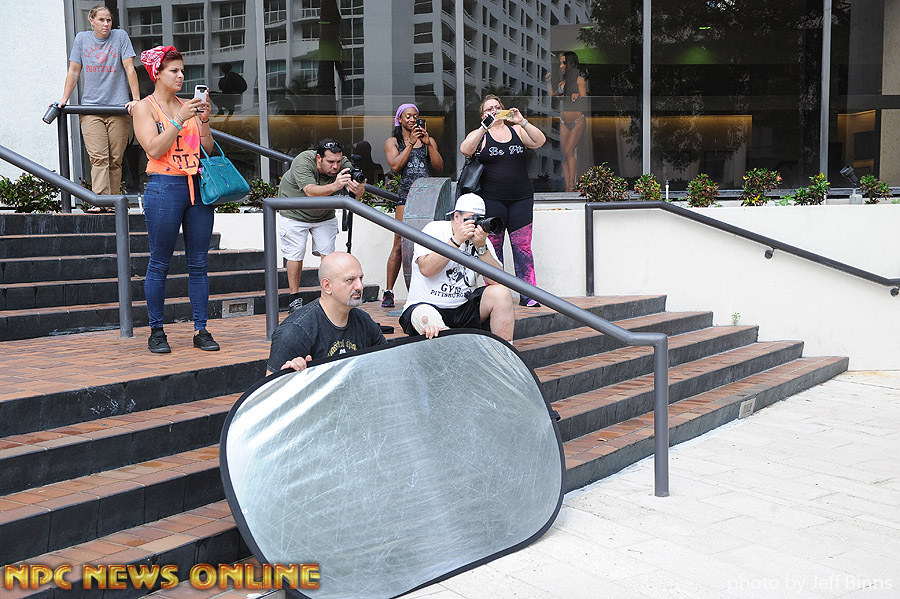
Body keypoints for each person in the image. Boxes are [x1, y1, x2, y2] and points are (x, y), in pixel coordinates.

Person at [132, 46, 217, 354]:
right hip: (164, 186)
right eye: (174, 71)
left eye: (182, 70)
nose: (181, 76)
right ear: (156, 74)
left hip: (196, 186)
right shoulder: (145, 107)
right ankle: (156, 331)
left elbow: (206, 147)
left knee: (199, 262)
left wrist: (203, 120)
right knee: (159, 262)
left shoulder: (187, 106)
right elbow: (154, 149)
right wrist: (180, 119)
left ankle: (201, 329)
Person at [459, 95, 546, 307]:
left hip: (521, 198)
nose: (494, 110)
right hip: (492, 199)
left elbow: (540, 141)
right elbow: (465, 149)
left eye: (497, 107)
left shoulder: (517, 131)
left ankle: (529, 294)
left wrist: (522, 121)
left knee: (523, 247)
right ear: (482, 114)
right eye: (489, 108)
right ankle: (498, 294)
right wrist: (484, 127)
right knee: (494, 247)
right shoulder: (481, 135)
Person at [398, 194, 515, 342]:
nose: (476, 225)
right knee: (425, 316)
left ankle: (505, 352)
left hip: (463, 307)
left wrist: (481, 248)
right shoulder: (435, 229)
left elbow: (498, 281)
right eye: (471, 219)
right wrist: (456, 241)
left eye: (480, 219)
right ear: (457, 216)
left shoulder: (480, 239)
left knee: (501, 293)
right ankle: (449, 345)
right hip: (428, 305)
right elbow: (426, 269)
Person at [57, 4, 140, 209]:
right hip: (91, 108)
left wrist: (136, 99)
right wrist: (64, 99)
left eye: (109, 20)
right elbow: (74, 71)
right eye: (101, 20)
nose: (106, 24)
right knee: (99, 157)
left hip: (117, 108)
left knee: (115, 159)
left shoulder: (120, 37)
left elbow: (130, 69)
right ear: (91, 21)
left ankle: (111, 204)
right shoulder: (82, 39)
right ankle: (101, 202)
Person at [277, 139, 367, 314]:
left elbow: (359, 194)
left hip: (324, 215)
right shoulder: (303, 161)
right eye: (330, 162)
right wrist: (336, 185)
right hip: (294, 213)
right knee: (296, 254)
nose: (335, 166)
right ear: (319, 158)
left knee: (328, 256)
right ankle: (294, 298)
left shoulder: (344, 164)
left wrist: (359, 187)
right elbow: (310, 191)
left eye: (338, 161)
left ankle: (328, 297)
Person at [268, 252, 387, 373]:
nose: (360, 286)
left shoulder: (364, 321)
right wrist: (291, 376)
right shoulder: (295, 331)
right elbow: (270, 384)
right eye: (350, 280)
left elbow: (387, 363)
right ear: (327, 286)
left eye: (360, 278)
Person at [381, 103, 444, 308]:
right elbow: (395, 166)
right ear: (399, 119)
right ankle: (388, 291)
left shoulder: (427, 141)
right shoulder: (393, 141)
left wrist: (428, 144)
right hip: (406, 194)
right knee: (399, 243)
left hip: (427, 196)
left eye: (415, 116)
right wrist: (410, 144)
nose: (412, 120)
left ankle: (424, 290)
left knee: (426, 242)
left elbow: (438, 167)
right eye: (407, 116)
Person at [545, 51, 589, 192]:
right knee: (565, 154)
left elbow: (585, 99)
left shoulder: (579, 80)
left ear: (571, 64)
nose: (561, 66)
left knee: (570, 151)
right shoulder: (562, 83)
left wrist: (577, 95)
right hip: (564, 121)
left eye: (564, 63)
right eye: (560, 63)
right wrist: (548, 83)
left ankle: (572, 185)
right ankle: (567, 187)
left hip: (578, 120)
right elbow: (552, 95)